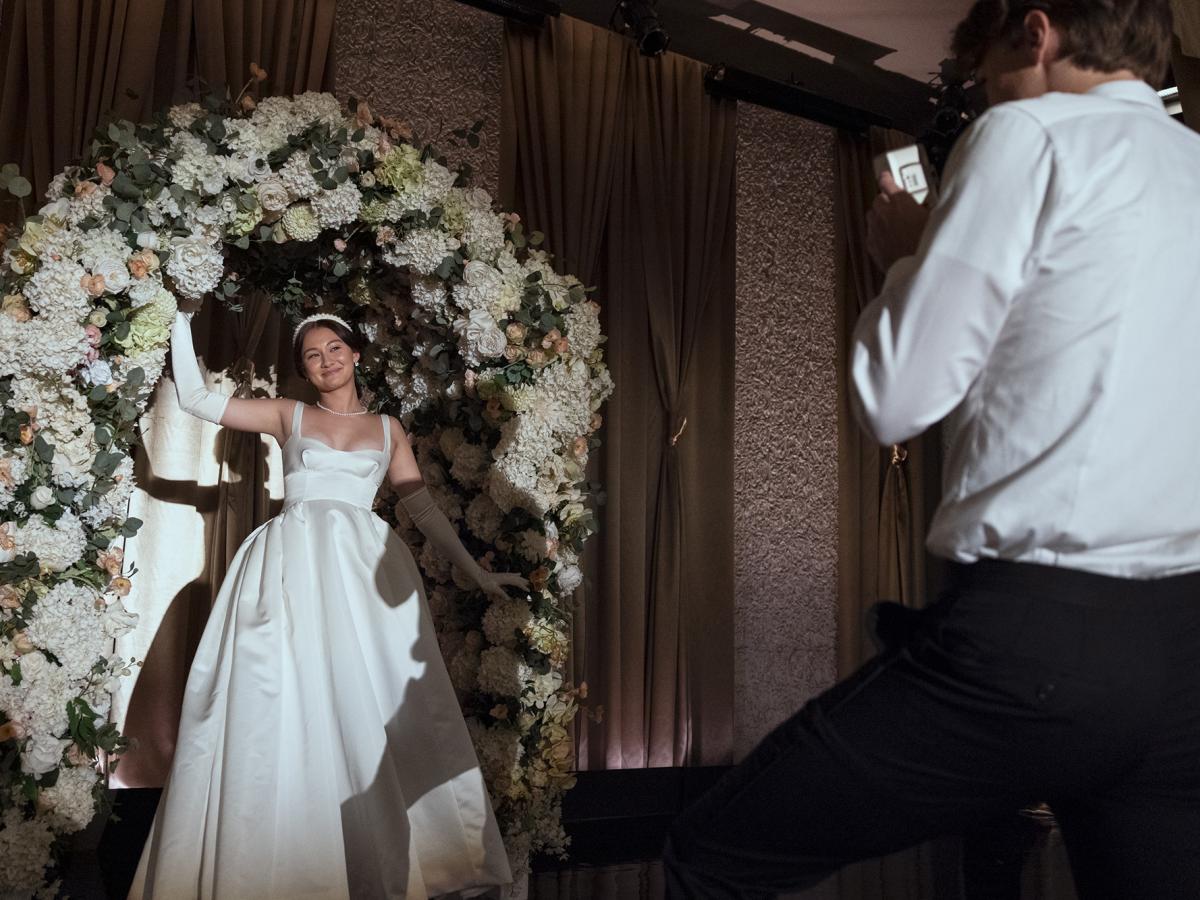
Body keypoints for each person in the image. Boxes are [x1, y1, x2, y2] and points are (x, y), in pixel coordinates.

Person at [663, 1, 1200, 897]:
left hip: (1039, 644)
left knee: (716, 854)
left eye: (989, 77)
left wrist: (910, 258)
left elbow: (898, 400)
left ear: (1038, 33)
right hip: (1187, 661)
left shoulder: (1029, 133)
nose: (991, 98)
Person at [128, 309, 524, 899]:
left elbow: (422, 508)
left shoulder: (389, 429)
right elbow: (195, 400)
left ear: (355, 354)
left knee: (369, 700)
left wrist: (478, 572)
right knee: (280, 697)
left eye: (334, 347)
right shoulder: (290, 415)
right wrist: (181, 322)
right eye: (313, 355)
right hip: (289, 568)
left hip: (363, 573)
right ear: (305, 371)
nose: (326, 359)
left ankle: (386, 855)